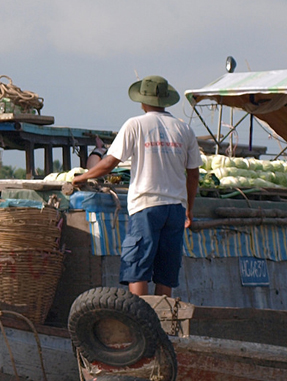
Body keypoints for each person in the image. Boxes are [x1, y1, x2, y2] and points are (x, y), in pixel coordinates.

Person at [72, 75, 201, 298]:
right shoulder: (184, 129)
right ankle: (162, 322)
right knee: (166, 270)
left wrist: (81, 178)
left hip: (146, 205)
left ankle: (139, 320)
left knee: (137, 267)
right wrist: (189, 208)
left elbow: (109, 163)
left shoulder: (135, 125)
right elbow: (193, 174)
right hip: (175, 209)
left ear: (142, 101)